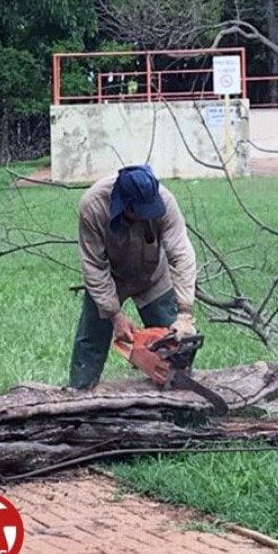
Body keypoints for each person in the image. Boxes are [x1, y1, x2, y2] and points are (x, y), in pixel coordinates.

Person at [68, 164, 198, 390]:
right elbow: (94, 267)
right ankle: (78, 397)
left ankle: (181, 401)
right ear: (124, 204)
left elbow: (181, 254)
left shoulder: (166, 202)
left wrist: (185, 313)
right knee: (91, 341)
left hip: (152, 275)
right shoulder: (93, 206)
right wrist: (114, 314)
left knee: (174, 344)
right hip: (110, 278)